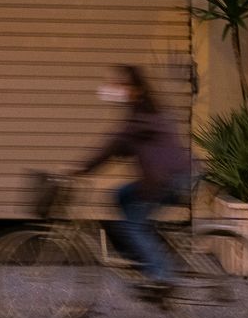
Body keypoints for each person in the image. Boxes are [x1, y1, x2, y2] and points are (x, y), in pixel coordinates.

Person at [74, 64, 193, 299]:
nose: (113, 89)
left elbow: (114, 144)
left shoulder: (142, 117)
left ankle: (161, 276)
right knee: (121, 195)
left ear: (136, 89)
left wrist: (79, 169)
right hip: (167, 178)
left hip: (167, 180)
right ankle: (145, 254)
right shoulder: (142, 113)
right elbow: (126, 146)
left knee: (132, 225)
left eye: (120, 85)